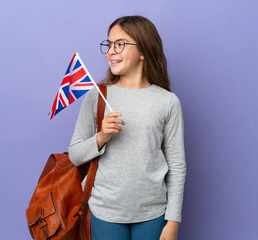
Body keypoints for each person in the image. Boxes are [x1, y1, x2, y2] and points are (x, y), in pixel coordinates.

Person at [69, 15, 186, 240]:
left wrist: (173, 222)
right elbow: (75, 155)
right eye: (109, 44)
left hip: (153, 213)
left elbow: (177, 166)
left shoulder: (168, 101)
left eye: (120, 44)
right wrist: (101, 137)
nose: (111, 51)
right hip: (104, 212)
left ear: (143, 51)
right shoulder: (98, 95)